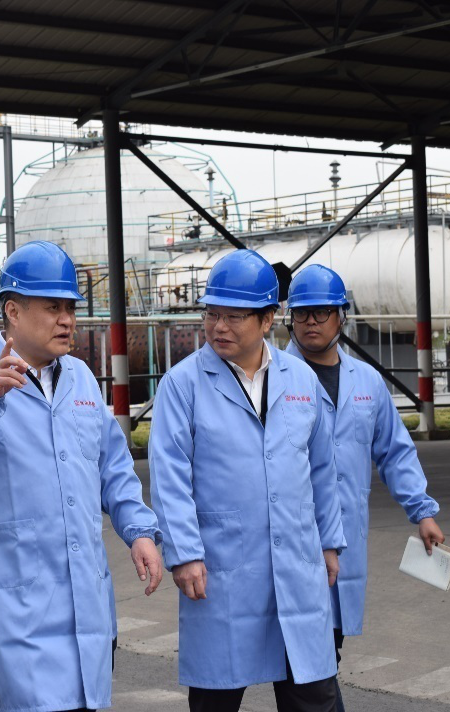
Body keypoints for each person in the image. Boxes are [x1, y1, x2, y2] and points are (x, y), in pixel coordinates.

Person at [0, 240, 163, 712]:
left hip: (87, 606)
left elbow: (112, 468)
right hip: (18, 611)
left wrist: (139, 532)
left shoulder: (81, 378)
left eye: (70, 308)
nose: (67, 320)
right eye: (53, 307)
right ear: (13, 311)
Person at [149, 249, 346, 712]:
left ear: (268, 319)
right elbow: (170, 475)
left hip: (296, 565)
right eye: (212, 314)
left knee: (312, 692)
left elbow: (322, 469)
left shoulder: (300, 379)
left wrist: (329, 541)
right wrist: (184, 553)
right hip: (223, 572)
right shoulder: (183, 384)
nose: (219, 327)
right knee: (217, 696)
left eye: (234, 316)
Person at [284, 264, 445, 711]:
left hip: (344, 547)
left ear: (342, 317)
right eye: (302, 313)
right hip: (292, 542)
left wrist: (422, 511)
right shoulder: (274, 378)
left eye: (322, 312)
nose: (311, 322)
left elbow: (395, 451)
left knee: (323, 657)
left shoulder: (367, 382)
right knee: (306, 669)